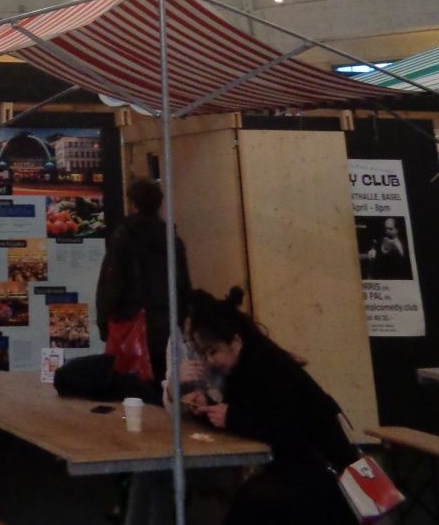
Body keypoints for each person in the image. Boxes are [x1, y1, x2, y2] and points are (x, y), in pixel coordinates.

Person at [184, 286, 357, 525]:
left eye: (213, 351)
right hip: (305, 468)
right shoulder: (247, 365)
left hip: (326, 474)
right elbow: (247, 415)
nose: (209, 361)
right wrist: (208, 408)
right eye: (204, 355)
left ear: (235, 342)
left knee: (251, 502)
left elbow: (282, 427)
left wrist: (231, 417)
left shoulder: (267, 368)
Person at [96, 177, 190, 381]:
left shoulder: (124, 237)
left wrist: (103, 322)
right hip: (167, 325)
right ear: (159, 205)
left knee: (131, 385)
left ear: (133, 203)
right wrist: (181, 322)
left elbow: (111, 284)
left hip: (132, 323)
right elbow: (183, 286)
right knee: (165, 381)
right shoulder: (172, 240)